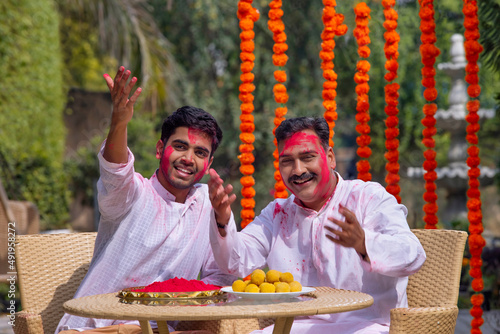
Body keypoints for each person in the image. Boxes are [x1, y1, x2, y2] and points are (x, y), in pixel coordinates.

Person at [56, 67, 235, 334]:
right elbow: (116, 173)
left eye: (200, 152)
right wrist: (119, 121)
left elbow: (221, 275)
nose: (188, 158)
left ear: (208, 163)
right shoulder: (132, 194)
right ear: (160, 149)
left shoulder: (207, 206)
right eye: (180, 146)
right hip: (93, 328)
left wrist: (223, 223)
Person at [208, 116, 427, 334]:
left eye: (307, 157)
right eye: (287, 161)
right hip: (295, 328)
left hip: (367, 326)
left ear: (330, 157)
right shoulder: (277, 212)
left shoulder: (368, 198)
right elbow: (236, 262)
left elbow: (413, 255)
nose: (298, 170)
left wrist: (364, 244)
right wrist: (222, 219)